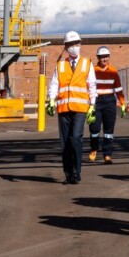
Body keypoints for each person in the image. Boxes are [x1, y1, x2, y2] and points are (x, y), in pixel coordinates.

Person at [46, 31, 95, 185]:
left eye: (77, 44)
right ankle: (68, 173)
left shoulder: (87, 63)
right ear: (66, 47)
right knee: (65, 142)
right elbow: (55, 83)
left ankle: (77, 170)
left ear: (80, 44)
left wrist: (93, 104)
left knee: (76, 138)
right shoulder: (61, 65)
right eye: (71, 44)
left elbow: (91, 85)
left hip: (80, 108)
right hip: (63, 109)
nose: (75, 47)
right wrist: (51, 100)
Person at [89, 46, 126, 164]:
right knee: (94, 129)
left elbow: (118, 89)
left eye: (106, 56)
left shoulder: (113, 71)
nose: (104, 59)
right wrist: (89, 105)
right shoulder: (93, 71)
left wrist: (122, 103)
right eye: (102, 57)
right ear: (98, 58)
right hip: (96, 102)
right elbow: (88, 87)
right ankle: (94, 149)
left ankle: (107, 154)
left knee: (108, 130)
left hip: (109, 101)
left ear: (109, 57)